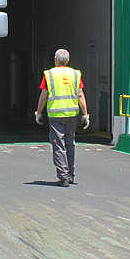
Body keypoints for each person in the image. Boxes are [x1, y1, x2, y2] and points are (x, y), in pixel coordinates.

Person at [34, 48, 90, 187]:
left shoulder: (50, 74)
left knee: (58, 144)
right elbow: (80, 94)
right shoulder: (75, 74)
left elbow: (44, 95)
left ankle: (63, 176)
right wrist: (85, 114)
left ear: (55, 59)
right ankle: (71, 174)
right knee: (70, 143)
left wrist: (39, 112)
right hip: (72, 114)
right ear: (68, 60)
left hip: (56, 115)